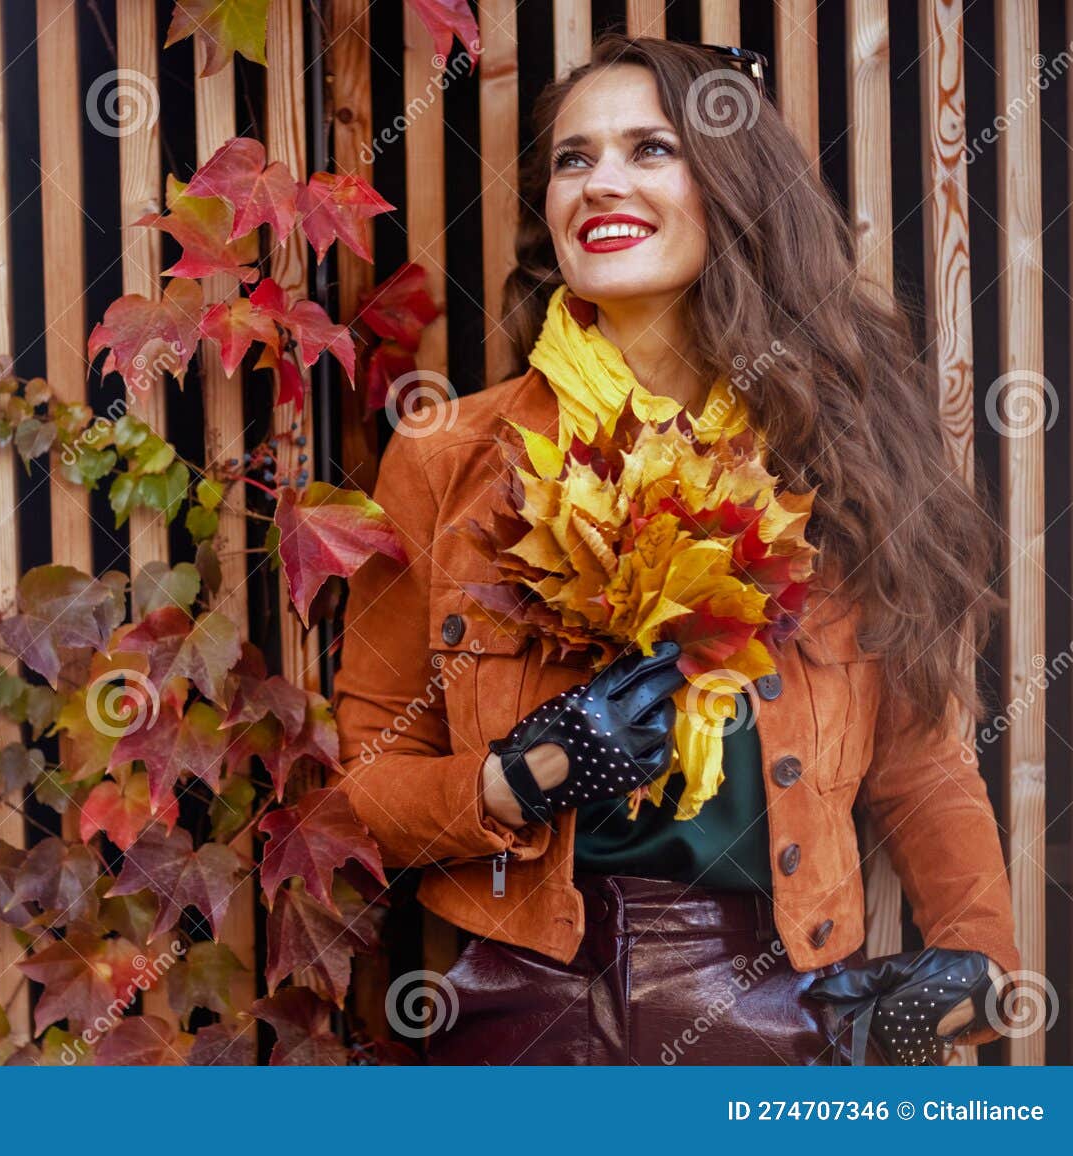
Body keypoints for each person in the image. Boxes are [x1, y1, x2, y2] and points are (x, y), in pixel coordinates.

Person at [332, 34, 1018, 1065]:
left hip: (781, 1011)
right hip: (518, 1016)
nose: (600, 181)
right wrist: (515, 781)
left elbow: (922, 763)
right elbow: (365, 786)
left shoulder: (837, 457)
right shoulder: (446, 456)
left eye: (650, 148)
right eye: (573, 158)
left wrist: (978, 979)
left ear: (735, 186)